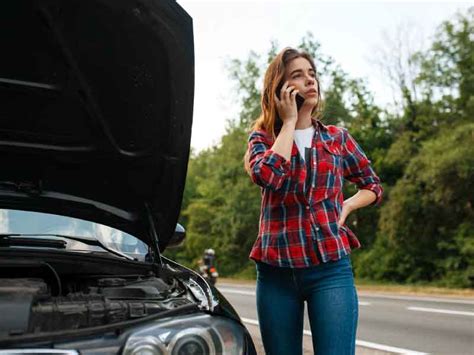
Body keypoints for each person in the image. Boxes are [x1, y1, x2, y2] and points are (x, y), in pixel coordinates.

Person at [244, 47, 383, 355]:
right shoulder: (262, 139)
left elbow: (372, 185)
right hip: (276, 272)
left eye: (312, 74)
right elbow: (269, 176)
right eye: (297, 75)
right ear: (279, 88)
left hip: (330, 269)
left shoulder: (337, 138)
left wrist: (347, 204)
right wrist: (290, 122)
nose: (309, 81)